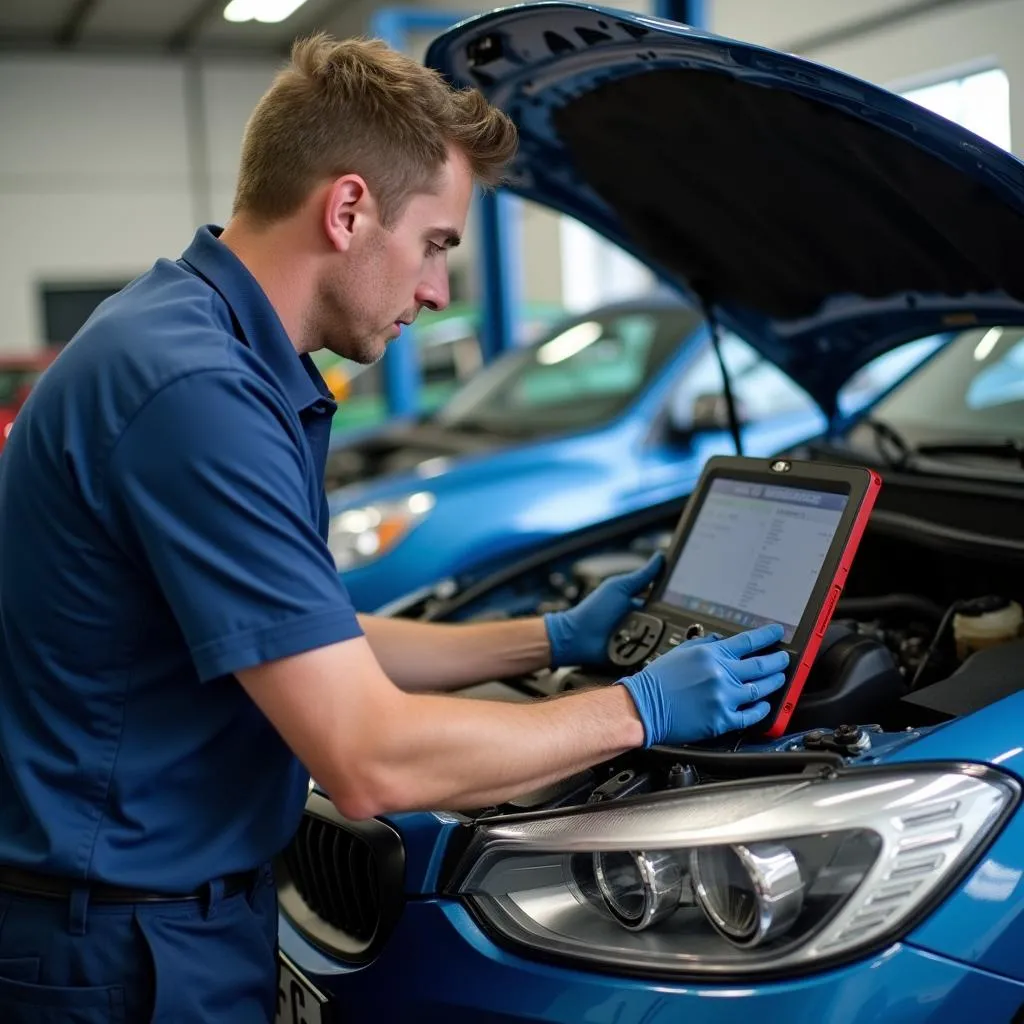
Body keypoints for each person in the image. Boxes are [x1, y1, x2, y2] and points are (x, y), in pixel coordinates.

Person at [0, 33, 789, 1024]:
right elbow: (371, 760)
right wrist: (638, 710)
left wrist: (550, 639)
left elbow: (303, 639)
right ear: (346, 209)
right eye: (437, 244)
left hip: (153, 918)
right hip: (122, 955)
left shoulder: (190, 343)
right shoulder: (193, 390)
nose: (436, 290)